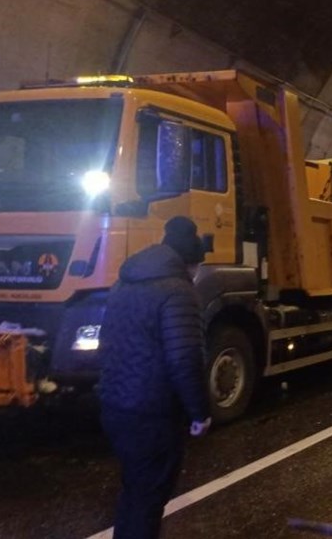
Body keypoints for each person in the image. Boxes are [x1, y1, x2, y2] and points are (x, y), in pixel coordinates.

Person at [98, 216, 212, 539]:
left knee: (133, 490)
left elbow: (106, 341)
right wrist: (199, 413)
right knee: (149, 498)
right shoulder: (179, 291)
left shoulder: (124, 282)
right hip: (153, 414)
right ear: (190, 262)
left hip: (115, 406)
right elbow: (185, 358)